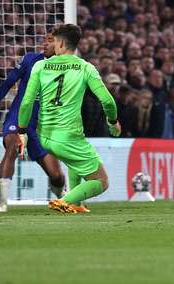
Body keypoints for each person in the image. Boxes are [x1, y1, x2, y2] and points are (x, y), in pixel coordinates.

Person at [16, 24, 120, 213]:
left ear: (62, 42)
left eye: (54, 41)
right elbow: (107, 101)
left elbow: (26, 103)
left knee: (75, 161)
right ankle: (65, 201)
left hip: (45, 136)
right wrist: (112, 121)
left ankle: (76, 204)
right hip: (68, 137)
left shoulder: (40, 65)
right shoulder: (85, 68)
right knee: (101, 182)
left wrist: (22, 131)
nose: (53, 45)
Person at [0, 33, 66, 212]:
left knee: (56, 175)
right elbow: (8, 83)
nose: (45, 43)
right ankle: (2, 203)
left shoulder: (67, 68)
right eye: (44, 39)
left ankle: (61, 196)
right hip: (17, 118)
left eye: (50, 41)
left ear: (61, 44)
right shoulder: (30, 59)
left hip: (42, 126)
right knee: (12, 148)